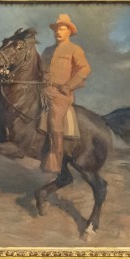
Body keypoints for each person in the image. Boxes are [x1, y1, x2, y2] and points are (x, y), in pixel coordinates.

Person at [40, 12, 91, 173]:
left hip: (61, 95)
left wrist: (69, 86)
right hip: (42, 89)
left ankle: (56, 157)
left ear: (69, 31)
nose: (57, 32)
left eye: (61, 29)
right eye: (56, 29)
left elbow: (85, 69)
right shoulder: (47, 51)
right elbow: (40, 70)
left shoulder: (75, 49)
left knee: (55, 119)